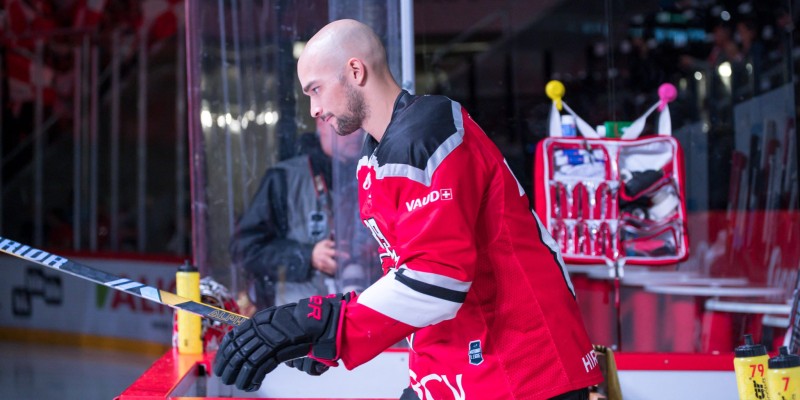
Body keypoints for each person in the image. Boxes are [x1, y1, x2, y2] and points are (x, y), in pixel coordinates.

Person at [214, 19, 603, 400]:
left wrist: (324, 325)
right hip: (457, 367)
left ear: (355, 70)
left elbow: (438, 280)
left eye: (316, 89)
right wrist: (320, 337)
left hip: (520, 370)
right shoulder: (376, 156)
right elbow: (409, 279)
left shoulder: (427, 131)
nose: (313, 109)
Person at [228, 117, 363, 308]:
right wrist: (308, 256)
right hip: (297, 323)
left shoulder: (371, 175)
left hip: (359, 315)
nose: (358, 133)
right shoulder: (283, 179)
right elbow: (244, 249)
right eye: (349, 123)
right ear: (322, 123)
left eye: (360, 125)